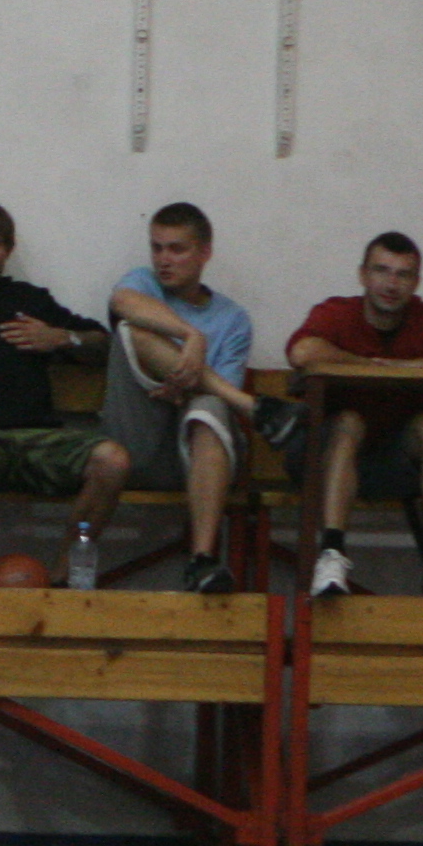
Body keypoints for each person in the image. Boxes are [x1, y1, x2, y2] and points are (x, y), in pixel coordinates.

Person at [285, 233, 423, 600]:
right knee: (350, 421)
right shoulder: (338, 312)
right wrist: (367, 366)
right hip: (319, 457)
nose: (391, 283)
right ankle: (331, 555)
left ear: (416, 283)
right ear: (362, 275)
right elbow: (303, 352)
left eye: (403, 274)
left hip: (392, 464)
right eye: (382, 271)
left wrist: (413, 367)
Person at [97, 204, 300, 596]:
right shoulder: (142, 283)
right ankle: (254, 407)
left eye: (177, 249)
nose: (163, 260)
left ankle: (203, 560)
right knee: (132, 330)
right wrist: (192, 337)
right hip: (136, 445)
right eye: (157, 248)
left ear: (205, 252)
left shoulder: (232, 318)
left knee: (210, 408)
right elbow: (122, 302)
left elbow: (215, 407)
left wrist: (185, 382)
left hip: (200, 455)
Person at [0, 204, 121, 586]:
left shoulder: (29, 300)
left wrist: (62, 338)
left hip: (38, 438)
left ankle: (63, 578)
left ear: (8, 249)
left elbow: (105, 343)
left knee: (112, 461)